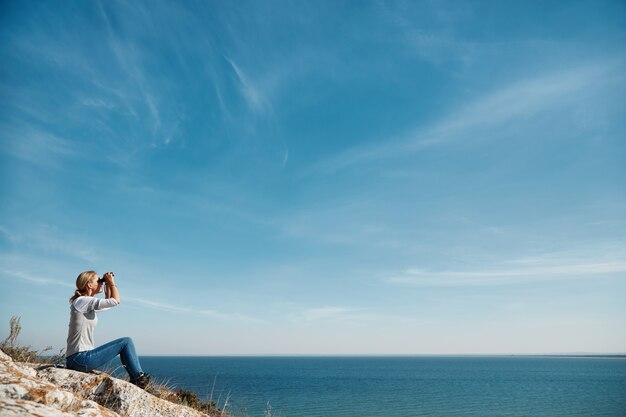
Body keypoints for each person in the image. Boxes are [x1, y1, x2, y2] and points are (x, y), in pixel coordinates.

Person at [65, 270, 151, 389]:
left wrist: (106, 285)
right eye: (98, 281)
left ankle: (138, 379)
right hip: (80, 359)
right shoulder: (82, 301)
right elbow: (115, 301)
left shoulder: (85, 303)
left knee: (126, 342)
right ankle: (139, 379)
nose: (100, 283)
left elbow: (109, 302)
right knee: (126, 342)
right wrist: (111, 282)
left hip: (77, 359)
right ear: (89, 285)